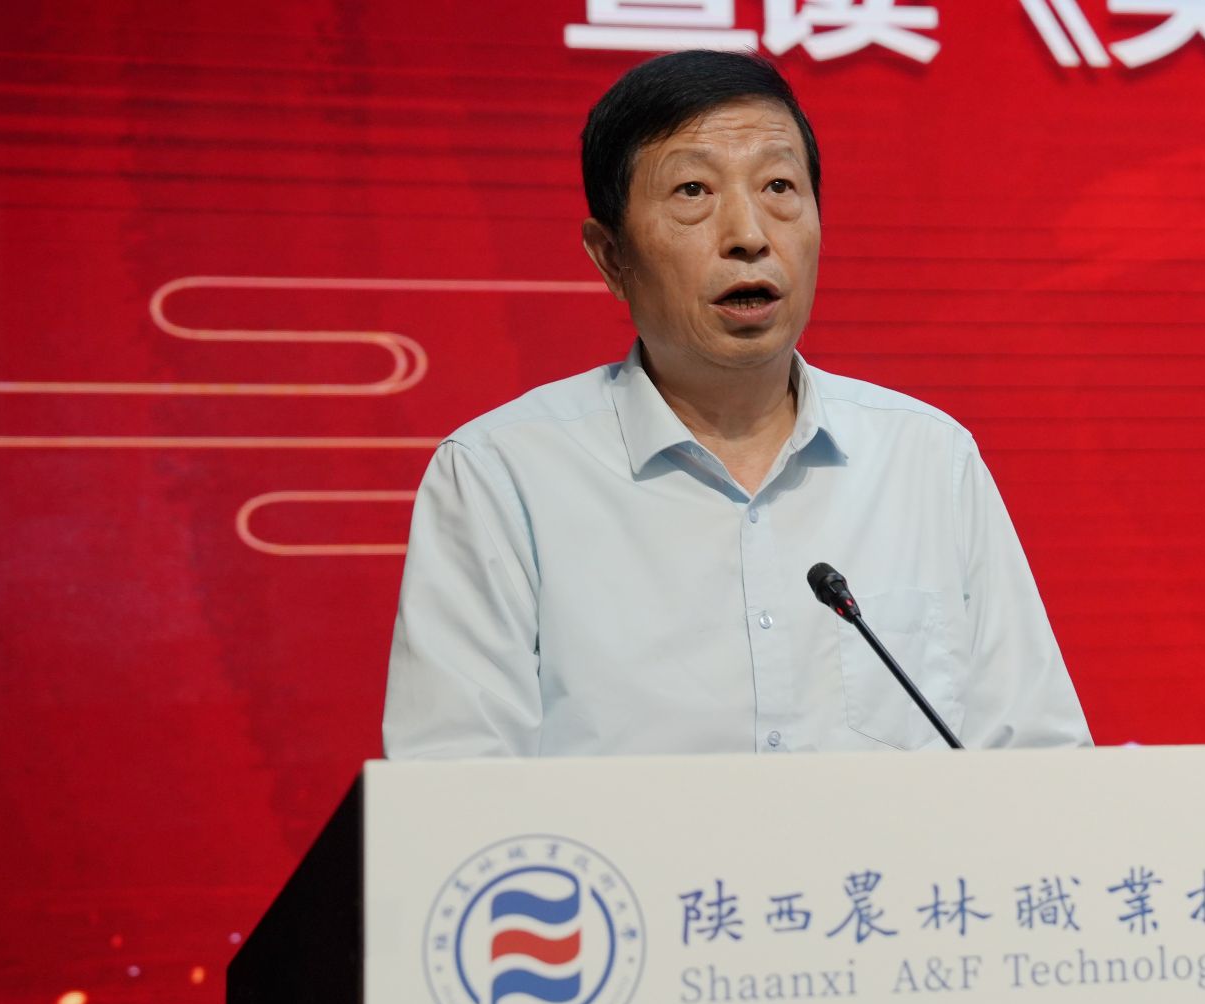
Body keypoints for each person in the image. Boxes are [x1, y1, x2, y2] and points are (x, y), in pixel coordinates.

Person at [382, 51, 1088, 758]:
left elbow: (1040, 758)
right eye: (693, 190)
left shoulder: (928, 460)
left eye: (779, 186)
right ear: (611, 257)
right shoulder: (501, 476)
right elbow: (449, 785)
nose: (750, 235)